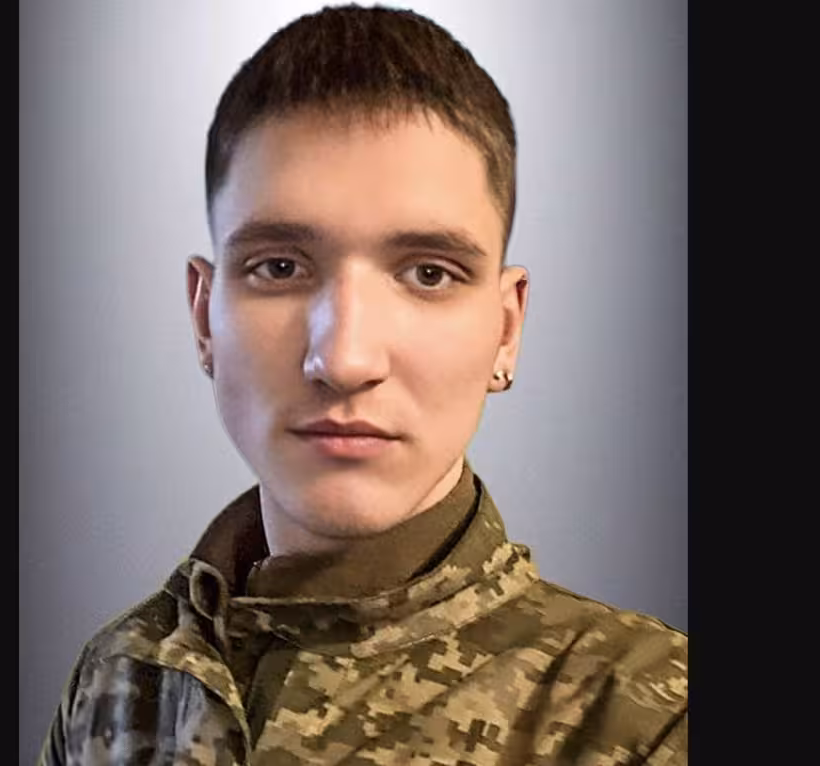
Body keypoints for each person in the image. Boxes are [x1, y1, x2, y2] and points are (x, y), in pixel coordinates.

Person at [39, 5, 687, 764]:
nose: (344, 360)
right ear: (204, 316)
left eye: (429, 274)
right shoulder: (116, 680)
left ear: (506, 329)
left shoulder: (648, 719)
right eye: (279, 267)